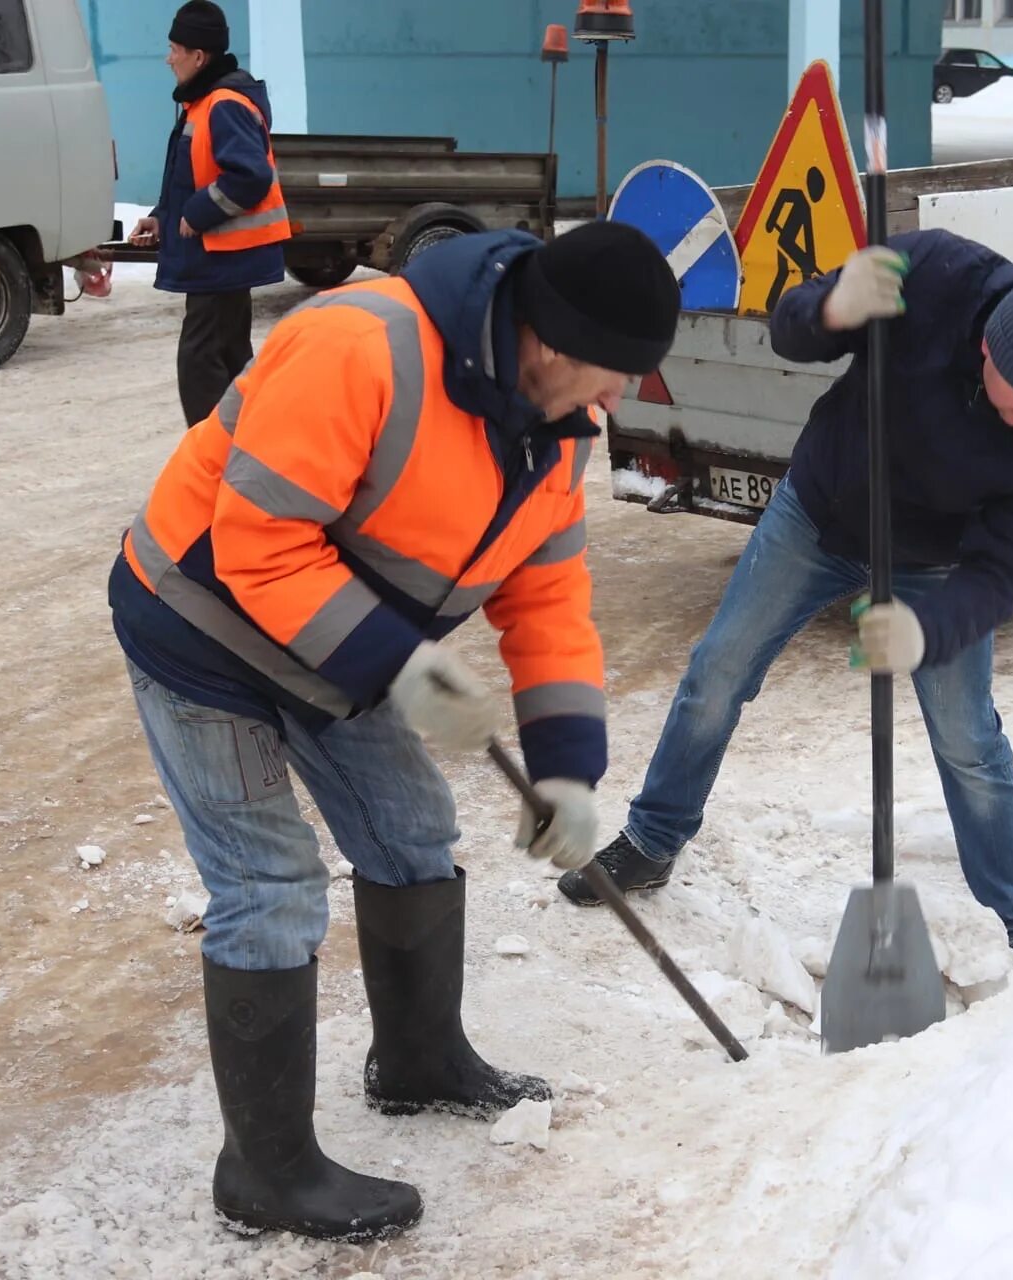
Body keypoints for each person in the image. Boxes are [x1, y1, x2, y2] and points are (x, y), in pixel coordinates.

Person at [109, 220, 679, 1240]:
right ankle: (266, 1169)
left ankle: (417, 1060)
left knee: (413, 827)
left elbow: (547, 605)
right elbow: (262, 547)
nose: (617, 400)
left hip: (332, 649)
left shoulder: (551, 437)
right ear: (550, 337)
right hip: (199, 629)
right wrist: (409, 673)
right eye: (614, 372)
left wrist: (567, 771)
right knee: (271, 885)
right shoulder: (359, 346)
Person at [560, 229, 1013, 960]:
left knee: (969, 743)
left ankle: (1011, 919)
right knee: (719, 671)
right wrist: (833, 308)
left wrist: (930, 629)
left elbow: (1011, 565)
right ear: (988, 347)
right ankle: (653, 839)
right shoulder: (929, 274)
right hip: (822, 510)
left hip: (938, 559)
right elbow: (788, 328)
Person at [127, 1, 291, 426]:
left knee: (200, 363)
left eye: (173, 49)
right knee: (231, 360)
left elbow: (250, 175)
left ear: (198, 56)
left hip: (222, 258)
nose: (168, 59)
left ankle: (213, 462)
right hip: (220, 259)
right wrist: (163, 215)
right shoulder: (202, 104)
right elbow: (194, 176)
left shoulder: (223, 105)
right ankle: (249, 450)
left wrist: (197, 214)